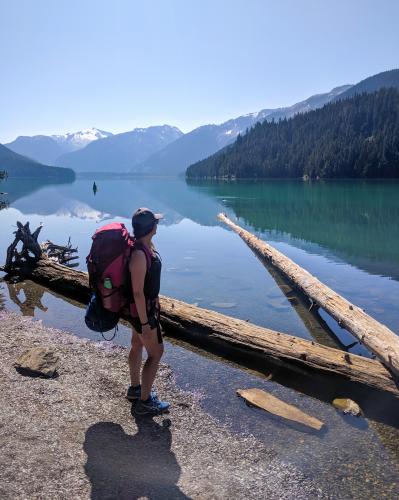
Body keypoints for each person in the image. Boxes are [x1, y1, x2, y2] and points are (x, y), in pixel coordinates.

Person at [126, 207, 170, 415]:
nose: (157, 225)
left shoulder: (144, 246)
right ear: (150, 227)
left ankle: (135, 389)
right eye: (155, 223)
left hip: (140, 311)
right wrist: (145, 323)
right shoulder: (139, 255)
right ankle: (145, 401)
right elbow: (137, 292)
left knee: (136, 345)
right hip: (141, 312)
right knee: (156, 353)